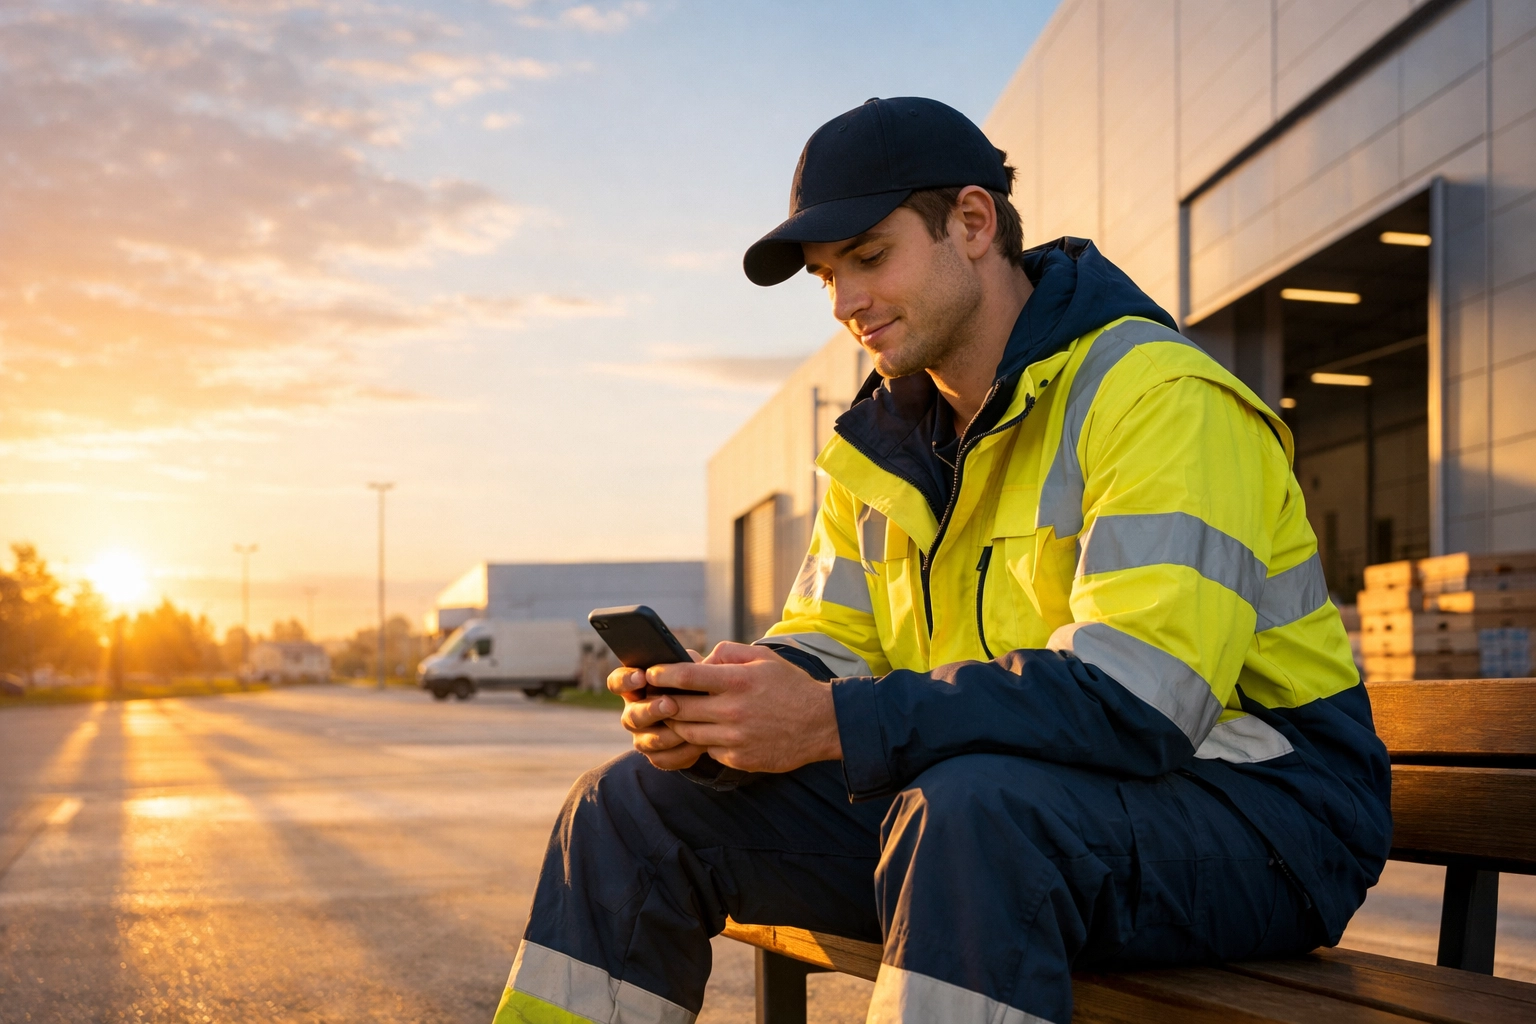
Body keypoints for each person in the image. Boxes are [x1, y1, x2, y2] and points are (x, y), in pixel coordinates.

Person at [490, 97, 1390, 1024]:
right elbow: (834, 647)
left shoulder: (1159, 397)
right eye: (826, 277)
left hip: (1263, 820)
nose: (845, 305)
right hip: (1000, 811)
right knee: (631, 805)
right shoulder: (878, 449)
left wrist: (833, 722)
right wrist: (732, 710)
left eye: (869, 257)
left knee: (974, 813)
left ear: (972, 222)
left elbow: (1143, 701)